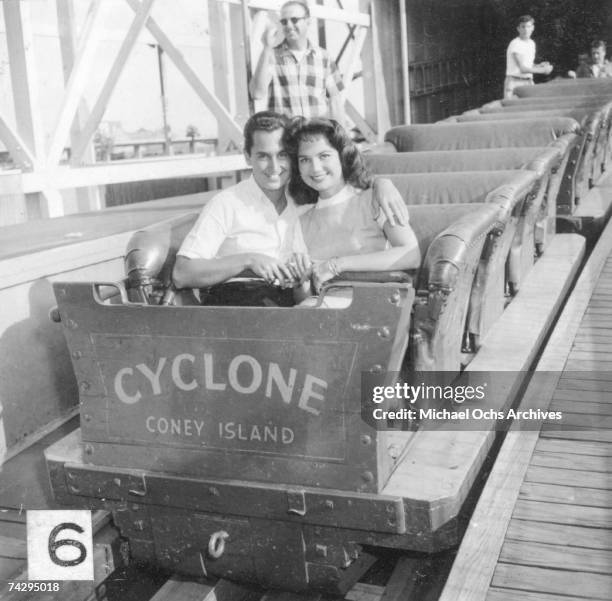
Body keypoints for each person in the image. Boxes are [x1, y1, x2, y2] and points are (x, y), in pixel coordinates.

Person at [172, 111, 407, 306]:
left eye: (282, 155)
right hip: (238, 301)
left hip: (291, 302)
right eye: (263, 156)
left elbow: (344, 178)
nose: (274, 167)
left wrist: (380, 184)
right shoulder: (227, 203)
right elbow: (182, 273)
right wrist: (247, 260)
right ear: (247, 157)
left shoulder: (303, 197)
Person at [285, 118, 421, 306]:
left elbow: (411, 254)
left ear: (342, 156)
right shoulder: (301, 221)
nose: (315, 168)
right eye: (305, 160)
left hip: (378, 306)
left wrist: (337, 265)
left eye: (324, 156)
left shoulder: (374, 197)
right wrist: (302, 282)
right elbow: (305, 298)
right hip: (323, 313)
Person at [249, 0, 345, 125]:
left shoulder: (323, 57)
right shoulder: (271, 55)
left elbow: (335, 100)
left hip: (316, 136)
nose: (289, 25)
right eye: (284, 22)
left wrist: (343, 139)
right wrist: (266, 47)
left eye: (294, 20)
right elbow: (257, 93)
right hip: (286, 139)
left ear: (308, 21)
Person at [504, 15, 553, 99]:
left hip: (528, 82)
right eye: (523, 27)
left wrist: (539, 65)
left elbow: (528, 65)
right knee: (513, 111)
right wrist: (543, 70)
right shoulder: (515, 43)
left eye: (528, 26)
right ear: (518, 29)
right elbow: (523, 69)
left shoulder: (531, 43)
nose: (526, 29)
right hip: (514, 83)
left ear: (532, 28)